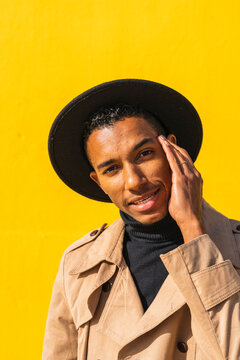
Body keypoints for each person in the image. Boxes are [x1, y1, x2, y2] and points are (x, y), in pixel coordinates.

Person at [43, 79, 240, 360]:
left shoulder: (235, 249)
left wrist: (193, 231)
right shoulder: (79, 265)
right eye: (112, 169)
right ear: (98, 182)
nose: (135, 181)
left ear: (173, 150)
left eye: (144, 154)